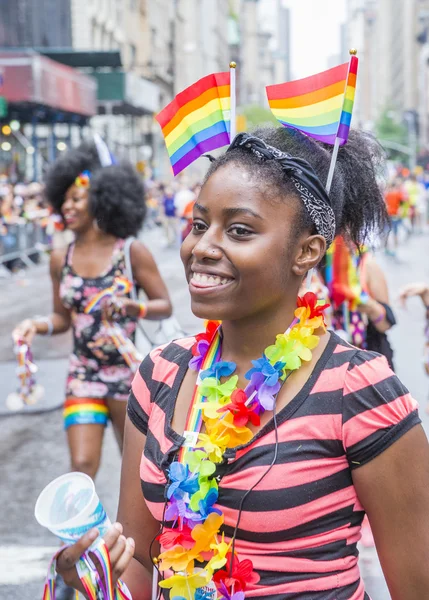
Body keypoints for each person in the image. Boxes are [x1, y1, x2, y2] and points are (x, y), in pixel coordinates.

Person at [56, 128, 429, 600]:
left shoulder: (359, 390)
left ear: (307, 251)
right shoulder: (160, 375)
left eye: (239, 230)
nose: (202, 248)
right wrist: (92, 577)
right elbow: (135, 576)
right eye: (198, 225)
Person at [12, 140, 172, 477]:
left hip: (128, 377)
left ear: (100, 199)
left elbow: (164, 306)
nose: (66, 207)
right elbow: (62, 318)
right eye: (63, 199)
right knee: (81, 466)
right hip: (82, 374)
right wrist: (36, 325)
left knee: (137, 474)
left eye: (76, 198)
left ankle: (133, 531)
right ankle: (79, 532)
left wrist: (133, 307)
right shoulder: (61, 257)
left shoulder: (131, 251)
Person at [384, 179, 405, 254]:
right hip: (395, 215)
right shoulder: (398, 194)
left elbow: (385, 204)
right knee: (395, 232)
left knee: (387, 231)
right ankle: (395, 249)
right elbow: (402, 204)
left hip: (387, 214)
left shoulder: (387, 194)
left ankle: (386, 248)